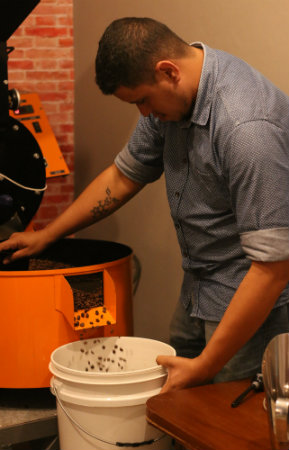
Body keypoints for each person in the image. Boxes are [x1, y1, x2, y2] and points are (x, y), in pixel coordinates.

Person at [1, 17, 289, 393]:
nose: (143, 114)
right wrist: (49, 235)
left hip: (253, 305)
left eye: (141, 100)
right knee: (181, 410)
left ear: (167, 71)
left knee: (228, 426)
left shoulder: (246, 127)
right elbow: (123, 176)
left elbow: (272, 268)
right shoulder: (172, 98)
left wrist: (204, 365)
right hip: (200, 287)